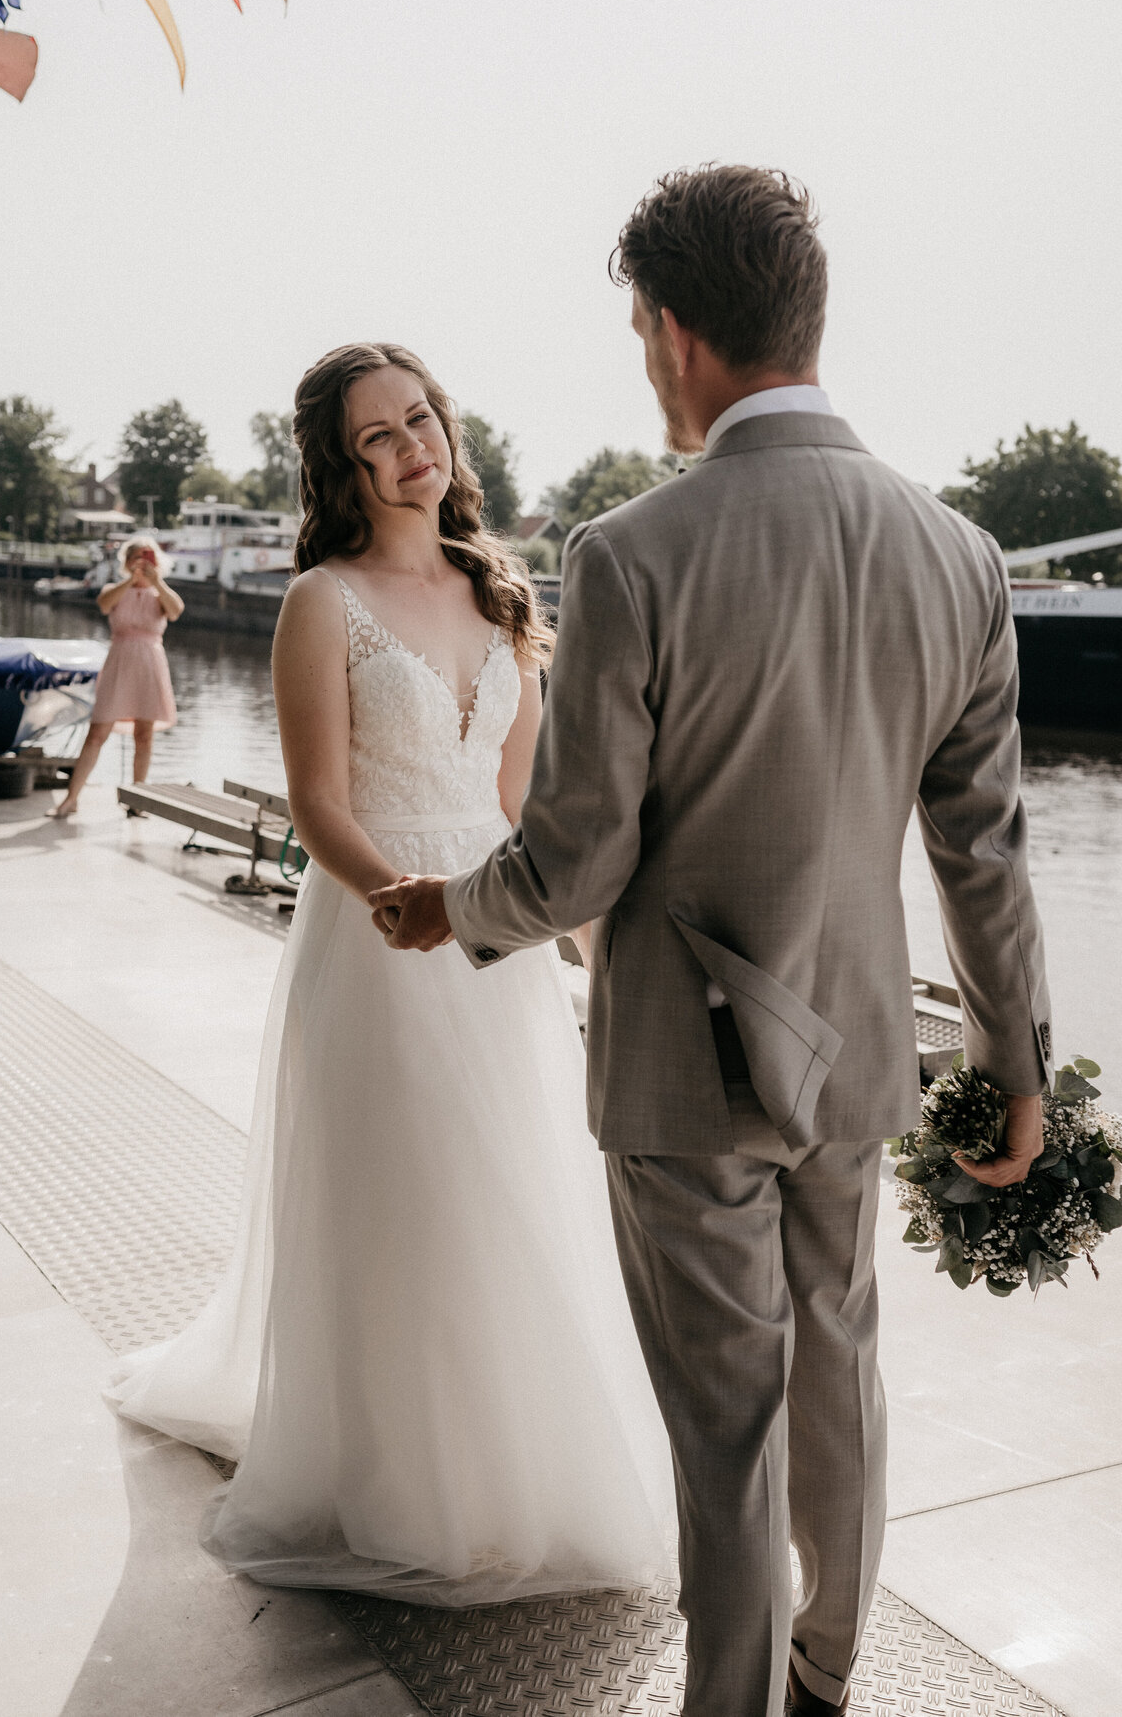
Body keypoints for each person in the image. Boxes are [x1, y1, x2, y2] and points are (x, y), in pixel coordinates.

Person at [371, 167, 1052, 1717]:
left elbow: (577, 853)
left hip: (686, 1076)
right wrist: (1017, 1065)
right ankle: (827, 1671)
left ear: (676, 335)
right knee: (843, 1371)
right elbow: (984, 853)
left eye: (638, 331)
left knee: (728, 1426)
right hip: (864, 1054)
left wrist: (453, 911)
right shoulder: (961, 554)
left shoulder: (631, 554)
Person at [106, 343, 677, 1603]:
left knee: (510, 1188)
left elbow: (523, 799)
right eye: (381, 435)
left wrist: (589, 937)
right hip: (379, 938)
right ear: (343, 463)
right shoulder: (326, 600)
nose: (415, 446)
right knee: (407, 1195)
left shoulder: (504, 592)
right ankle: (400, 1477)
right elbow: (317, 803)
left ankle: (515, 1461)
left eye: (421, 419)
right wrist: (403, 908)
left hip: (498, 935)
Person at [48, 537, 183, 818]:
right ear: (125, 562)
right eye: (135, 557)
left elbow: (176, 611)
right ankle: (71, 799)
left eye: (147, 557)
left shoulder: (161, 594)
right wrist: (130, 579)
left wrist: (155, 581)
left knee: (144, 736)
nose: (142, 562)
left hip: (149, 663)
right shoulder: (115, 589)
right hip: (119, 662)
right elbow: (104, 604)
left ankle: (138, 801)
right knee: (96, 733)